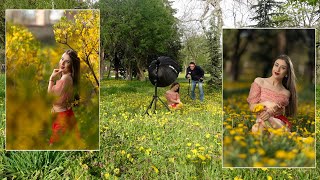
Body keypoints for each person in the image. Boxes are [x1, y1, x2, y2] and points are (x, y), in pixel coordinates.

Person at [247, 55, 297, 134]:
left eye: (283, 68)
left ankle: (286, 134)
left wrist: (269, 113)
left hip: (278, 123)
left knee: (265, 123)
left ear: (287, 73)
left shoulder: (285, 93)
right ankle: (289, 136)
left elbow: (277, 109)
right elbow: (252, 107)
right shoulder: (259, 82)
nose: (278, 69)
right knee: (256, 129)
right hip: (261, 121)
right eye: (276, 65)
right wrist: (265, 103)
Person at [48, 49, 81, 145]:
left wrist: (51, 79)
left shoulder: (66, 79)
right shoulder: (65, 77)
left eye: (67, 62)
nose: (62, 63)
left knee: (53, 146)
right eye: (62, 59)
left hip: (62, 118)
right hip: (62, 115)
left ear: (72, 66)